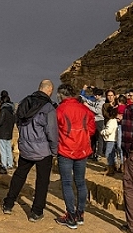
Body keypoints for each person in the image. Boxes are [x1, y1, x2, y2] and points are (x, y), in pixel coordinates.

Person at [2, 79, 58, 222]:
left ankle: (8, 204)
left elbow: (19, 123)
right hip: (42, 150)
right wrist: (54, 150)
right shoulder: (48, 107)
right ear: (50, 90)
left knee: (19, 175)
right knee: (42, 180)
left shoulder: (24, 102)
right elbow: (51, 132)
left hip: (25, 147)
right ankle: (36, 212)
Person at [55, 84, 96, 229]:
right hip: (82, 150)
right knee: (80, 182)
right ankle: (80, 214)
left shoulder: (60, 110)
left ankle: (71, 216)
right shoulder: (85, 109)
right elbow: (91, 129)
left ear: (61, 95)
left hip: (66, 150)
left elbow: (54, 130)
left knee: (66, 182)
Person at [80, 85, 105, 160]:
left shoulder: (102, 102)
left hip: (100, 121)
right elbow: (91, 103)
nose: (94, 96)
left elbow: (97, 111)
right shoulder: (97, 101)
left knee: (99, 138)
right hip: (95, 121)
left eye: (95, 95)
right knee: (93, 138)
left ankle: (99, 154)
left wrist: (87, 106)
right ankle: (92, 153)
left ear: (99, 95)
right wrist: (83, 98)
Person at [0, 95, 15, 174]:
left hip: (2, 133)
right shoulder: (12, 110)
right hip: (9, 133)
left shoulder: (3, 110)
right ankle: (10, 164)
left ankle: (4, 165)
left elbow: (0, 122)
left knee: (3, 150)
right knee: (8, 149)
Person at [121, 101, 133, 232]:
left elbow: (127, 136)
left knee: (129, 187)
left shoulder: (129, 110)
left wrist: (126, 151)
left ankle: (131, 225)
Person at [101, 105, 118, 176]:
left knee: (108, 154)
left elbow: (109, 131)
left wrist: (102, 132)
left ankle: (110, 169)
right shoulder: (115, 121)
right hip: (113, 140)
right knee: (112, 154)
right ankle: (113, 167)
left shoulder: (111, 121)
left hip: (110, 140)